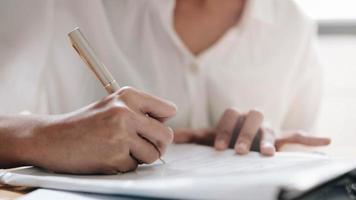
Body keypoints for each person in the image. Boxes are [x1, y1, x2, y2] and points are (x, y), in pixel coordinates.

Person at [0, 0, 330, 174]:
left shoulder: (293, 28)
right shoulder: (59, 5)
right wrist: (51, 136)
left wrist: (264, 158)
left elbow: (297, 160)